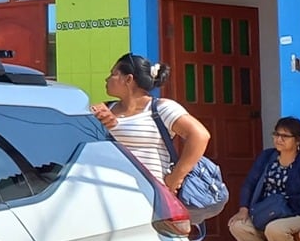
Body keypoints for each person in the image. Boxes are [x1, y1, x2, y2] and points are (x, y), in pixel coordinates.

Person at [92, 53, 214, 200]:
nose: (107, 79)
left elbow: (200, 136)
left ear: (128, 79)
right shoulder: (105, 110)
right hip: (110, 195)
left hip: (151, 198)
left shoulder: (160, 108)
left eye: (113, 74)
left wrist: (175, 178)